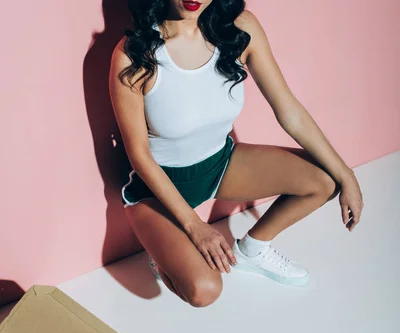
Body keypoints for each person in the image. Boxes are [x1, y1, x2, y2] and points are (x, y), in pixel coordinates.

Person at [109, 0, 363, 307]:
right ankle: (164, 258)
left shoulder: (239, 29)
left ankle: (253, 249)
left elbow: (290, 112)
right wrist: (194, 226)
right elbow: (139, 156)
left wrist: (347, 174)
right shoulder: (133, 54)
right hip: (156, 193)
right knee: (204, 290)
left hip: (220, 166)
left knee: (326, 178)